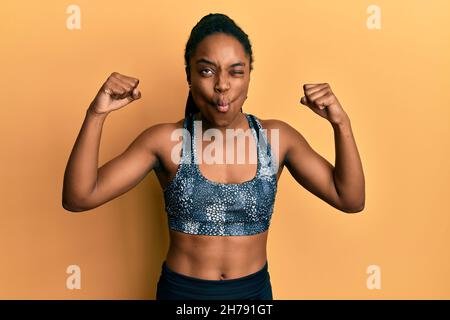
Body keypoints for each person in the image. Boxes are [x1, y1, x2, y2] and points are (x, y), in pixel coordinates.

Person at [62, 13, 365, 300]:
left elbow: (349, 199)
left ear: (249, 76)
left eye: (236, 71)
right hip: (183, 296)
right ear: (189, 76)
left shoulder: (276, 140)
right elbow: (79, 197)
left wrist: (341, 123)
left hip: (252, 296)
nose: (222, 84)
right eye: (207, 70)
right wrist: (96, 114)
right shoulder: (166, 142)